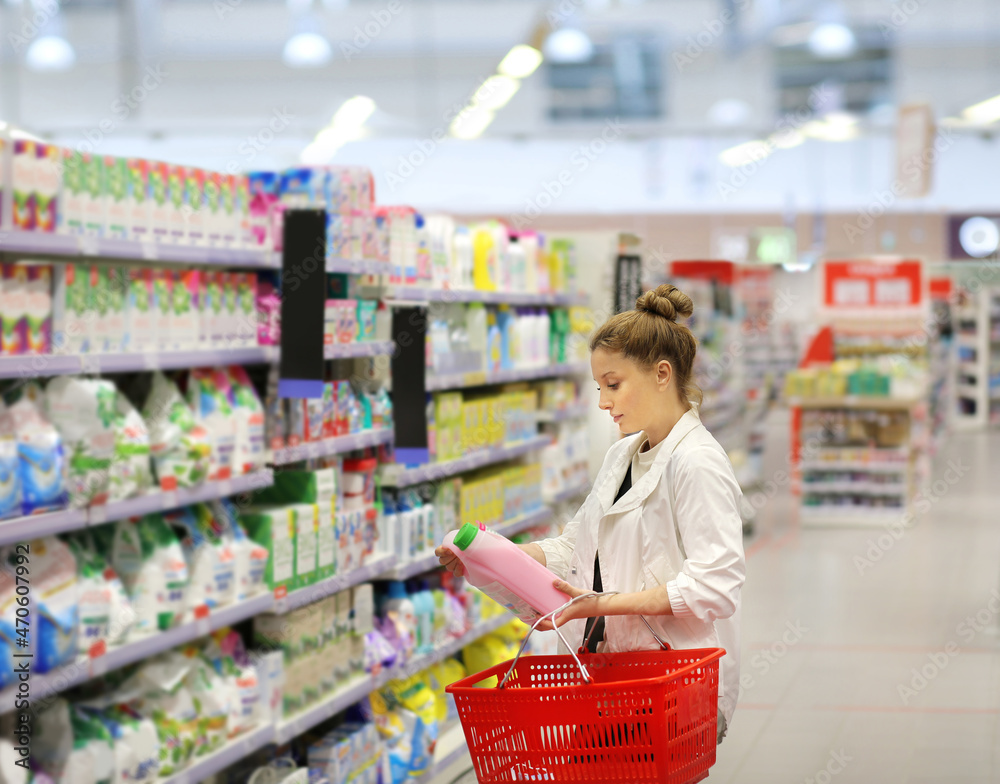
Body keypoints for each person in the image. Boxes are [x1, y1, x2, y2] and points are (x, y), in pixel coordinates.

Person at [436, 284, 745, 745]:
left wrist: (603, 604)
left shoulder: (696, 461)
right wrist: (493, 557)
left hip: (674, 682)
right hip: (612, 677)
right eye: (600, 387)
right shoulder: (622, 455)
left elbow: (716, 586)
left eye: (614, 385)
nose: (603, 402)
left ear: (663, 374)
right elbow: (573, 551)